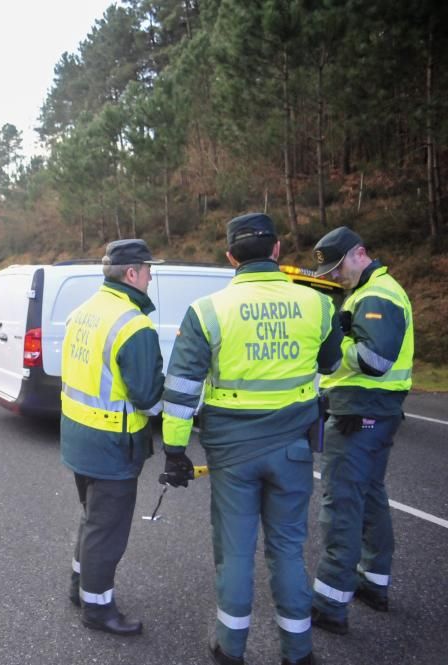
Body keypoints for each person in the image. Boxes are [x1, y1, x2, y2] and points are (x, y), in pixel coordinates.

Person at [160, 213, 343, 665]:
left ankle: (230, 647)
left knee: (236, 551)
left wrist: (174, 451)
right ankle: (298, 651)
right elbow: (331, 365)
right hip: (293, 447)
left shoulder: (207, 311)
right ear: (277, 250)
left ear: (230, 257)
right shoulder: (317, 305)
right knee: (286, 548)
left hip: (231, 453)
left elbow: (182, 388)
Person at [309, 226, 413, 635]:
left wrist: (334, 343)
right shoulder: (367, 292)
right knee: (369, 495)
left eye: (338, 268)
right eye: (330, 272)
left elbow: (374, 359)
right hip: (375, 410)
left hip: (361, 410)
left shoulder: (376, 295)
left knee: (342, 503)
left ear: (360, 254)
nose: (335, 276)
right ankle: (374, 582)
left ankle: (330, 605)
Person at [61, 238, 166, 636]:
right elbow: (147, 397)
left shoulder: (82, 312)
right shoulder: (133, 324)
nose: (151, 277)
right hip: (112, 445)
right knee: (107, 531)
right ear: (132, 273)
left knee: (92, 520)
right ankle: (98, 608)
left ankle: (80, 587)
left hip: (78, 436)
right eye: (149, 270)